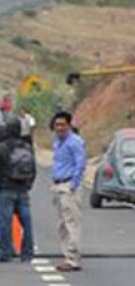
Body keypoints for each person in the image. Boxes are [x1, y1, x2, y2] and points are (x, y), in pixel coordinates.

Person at [0, 119, 36, 263]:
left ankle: (5, 252)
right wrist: (28, 184)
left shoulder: (1, 147)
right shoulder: (27, 146)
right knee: (26, 222)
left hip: (5, 189)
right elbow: (33, 169)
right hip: (22, 189)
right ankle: (27, 252)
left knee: (5, 222)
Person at [50, 111, 86, 272]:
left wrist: (73, 185)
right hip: (58, 185)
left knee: (72, 222)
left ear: (69, 125)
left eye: (62, 124)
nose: (59, 128)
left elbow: (80, 164)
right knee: (61, 224)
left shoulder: (75, 142)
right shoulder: (57, 143)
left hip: (69, 185)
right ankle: (67, 256)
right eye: (57, 125)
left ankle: (73, 258)